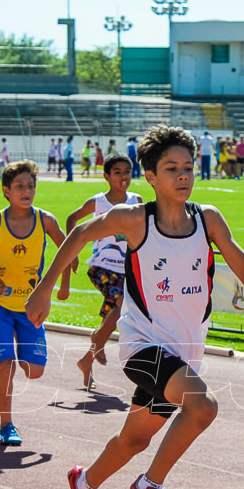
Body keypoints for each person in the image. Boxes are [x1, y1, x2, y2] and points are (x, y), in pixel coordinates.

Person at [26, 124, 244, 489]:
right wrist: (44, 290)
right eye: (171, 168)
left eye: (189, 167)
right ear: (150, 176)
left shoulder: (209, 220)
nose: (183, 175)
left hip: (185, 352)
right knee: (203, 407)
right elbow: (78, 234)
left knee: (133, 439)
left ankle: (84, 485)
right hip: (143, 345)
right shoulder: (133, 220)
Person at [0, 160, 66, 447]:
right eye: (19, 186)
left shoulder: (46, 221)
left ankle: (20, 346)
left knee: (34, 370)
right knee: (5, 366)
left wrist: (61, 288)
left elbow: (69, 252)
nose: (26, 191)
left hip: (31, 307)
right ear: (6, 191)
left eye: (30, 185)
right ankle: (6, 424)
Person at [60, 153, 142, 389]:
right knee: (121, 304)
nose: (123, 176)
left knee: (117, 313)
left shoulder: (136, 199)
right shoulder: (98, 201)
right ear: (106, 176)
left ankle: (88, 359)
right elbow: (71, 219)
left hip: (126, 269)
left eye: (127, 171)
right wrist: (73, 250)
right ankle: (98, 340)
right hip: (101, 266)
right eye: (117, 172)